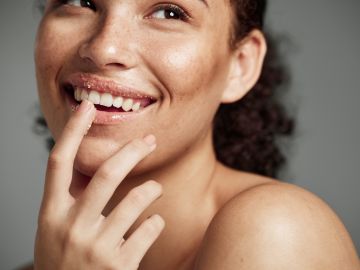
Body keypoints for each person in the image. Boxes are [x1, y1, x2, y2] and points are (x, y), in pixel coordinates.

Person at [22, 0, 359, 269]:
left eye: (170, 12)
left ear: (239, 65)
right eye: (80, 1)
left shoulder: (278, 233)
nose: (104, 49)